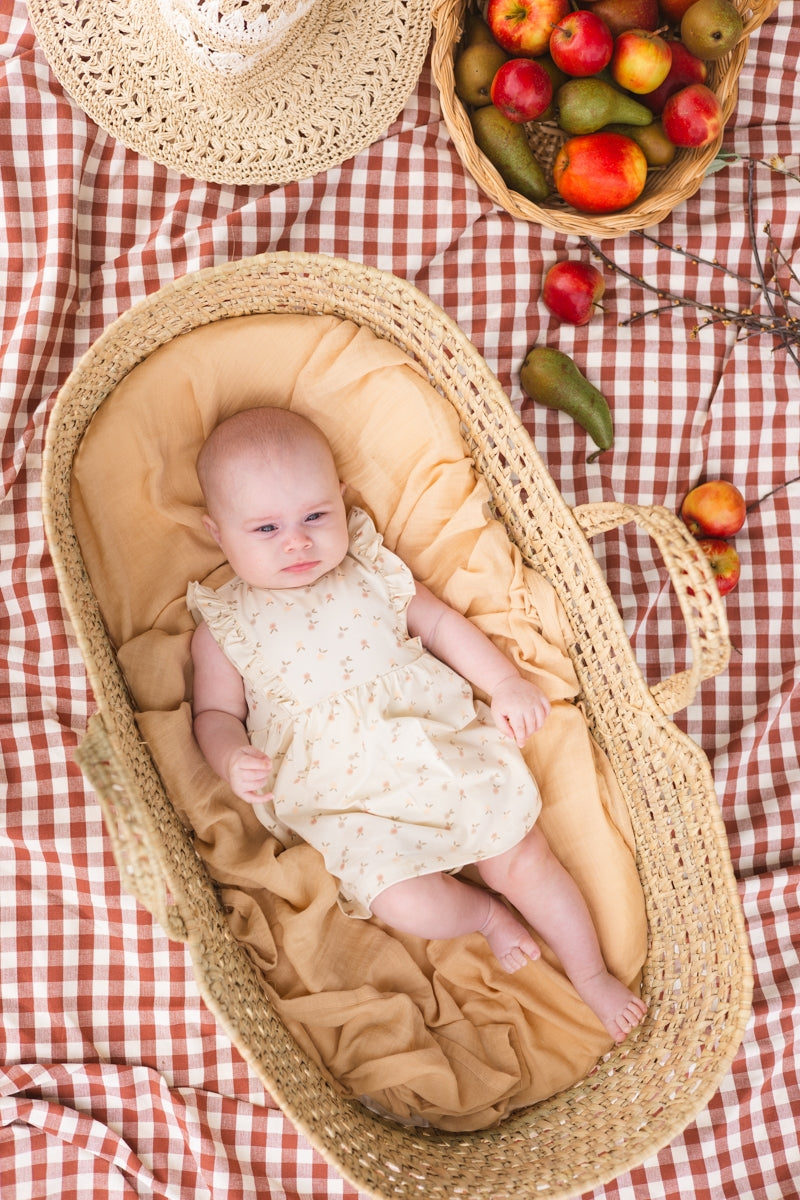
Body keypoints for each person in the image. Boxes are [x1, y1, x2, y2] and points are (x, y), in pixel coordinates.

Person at [188, 407, 647, 1043]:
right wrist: (230, 756)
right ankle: (486, 916)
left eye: (315, 516)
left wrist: (505, 682)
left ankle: (591, 974)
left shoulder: (371, 570)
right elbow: (214, 715)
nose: (296, 542)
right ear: (217, 533)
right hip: (349, 803)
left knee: (523, 858)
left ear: (341, 499)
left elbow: (441, 626)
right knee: (403, 901)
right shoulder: (225, 627)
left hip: (436, 750)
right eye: (266, 528)